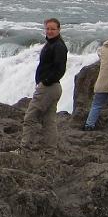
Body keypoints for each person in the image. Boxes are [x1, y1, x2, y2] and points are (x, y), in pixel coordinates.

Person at [21, 18, 68, 148]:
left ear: (59, 30)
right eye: (47, 29)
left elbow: (60, 69)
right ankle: (50, 150)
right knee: (49, 121)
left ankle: (25, 148)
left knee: (30, 118)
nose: (50, 31)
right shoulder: (51, 44)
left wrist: (46, 81)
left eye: (53, 29)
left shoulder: (58, 46)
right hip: (52, 87)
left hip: (49, 87)